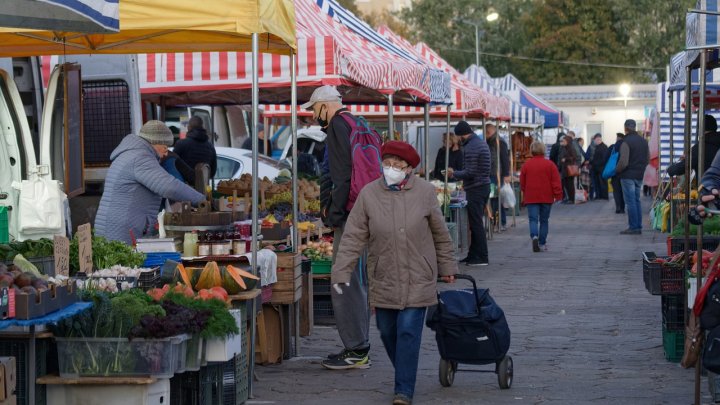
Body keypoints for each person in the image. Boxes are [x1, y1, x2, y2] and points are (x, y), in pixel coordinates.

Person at [331, 141, 457, 405]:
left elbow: (440, 233)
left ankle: (403, 390)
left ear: (409, 169)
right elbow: (353, 237)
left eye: (397, 165)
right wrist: (341, 272)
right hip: (384, 275)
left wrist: (447, 267)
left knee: (409, 331)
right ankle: (405, 372)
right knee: (387, 331)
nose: (391, 169)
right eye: (387, 164)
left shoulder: (425, 192)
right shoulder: (369, 194)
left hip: (418, 275)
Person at [303, 85, 372, 370]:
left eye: (314, 110)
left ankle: (356, 349)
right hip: (364, 209)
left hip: (350, 214)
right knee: (356, 279)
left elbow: (342, 177)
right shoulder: (358, 122)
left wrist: (333, 214)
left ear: (324, 106)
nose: (313, 116)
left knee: (343, 279)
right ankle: (359, 345)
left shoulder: (337, 127)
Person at [94, 120, 206, 244]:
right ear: (154, 142)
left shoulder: (131, 153)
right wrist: (202, 201)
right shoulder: (140, 157)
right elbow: (169, 186)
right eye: (165, 146)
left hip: (114, 227)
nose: (166, 152)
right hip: (120, 232)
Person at [447, 121, 492, 266]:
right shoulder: (478, 142)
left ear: (461, 135)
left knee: (476, 223)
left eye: (457, 136)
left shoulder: (472, 146)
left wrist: (454, 174)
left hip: (476, 188)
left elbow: (470, 171)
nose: (457, 139)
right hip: (482, 186)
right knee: (474, 223)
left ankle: (482, 257)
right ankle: (473, 255)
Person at [520, 141, 563, 252]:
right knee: (544, 220)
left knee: (533, 219)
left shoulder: (526, 165)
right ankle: (542, 243)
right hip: (546, 196)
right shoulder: (550, 165)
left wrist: (525, 191)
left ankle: (534, 236)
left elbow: (522, 183)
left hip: (531, 196)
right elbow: (556, 181)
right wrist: (558, 195)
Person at [615, 119, 649, 235]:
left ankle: (634, 227)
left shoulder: (626, 141)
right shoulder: (644, 141)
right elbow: (647, 158)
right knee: (637, 200)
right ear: (634, 127)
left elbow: (623, 161)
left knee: (630, 202)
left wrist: (616, 170)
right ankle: (638, 225)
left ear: (625, 128)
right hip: (639, 174)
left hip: (628, 175)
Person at [484, 122, 510, 231]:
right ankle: (496, 222)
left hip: (496, 175)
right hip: (493, 174)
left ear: (488, 132)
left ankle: (499, 223)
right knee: (494, 200)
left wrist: (506, 175)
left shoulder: (498, 142)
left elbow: (504, 159)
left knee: (496, 200)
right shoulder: (492, 141)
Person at [558, 135, 578, 204]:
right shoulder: (563, 148)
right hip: (564, 169)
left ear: (567, 141)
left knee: (570, 184)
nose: (563, 142)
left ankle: (572, 199)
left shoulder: (571, 148)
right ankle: (568, 198)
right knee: (566, 184)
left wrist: (566, 159)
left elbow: (575, 157)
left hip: (569, 169)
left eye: (564, 141)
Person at [608, 133, 626, 213]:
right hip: (624, 172)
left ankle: (618, 207)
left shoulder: (613, 147)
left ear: (617, 138)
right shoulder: (626, 146)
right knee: (623, 190)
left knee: (616, 190)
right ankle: (622, 208)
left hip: (614, 172)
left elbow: (606, 158)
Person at [590, 134, 609, 200]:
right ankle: (599, 195)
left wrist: (595, 163)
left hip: (601, 168)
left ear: (598, 140)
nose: (594, 142)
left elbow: (604, 159)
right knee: (598, 183)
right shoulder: (598, 147)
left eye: (595, 140)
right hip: (597, 168)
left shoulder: (603, 147)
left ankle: (604, 196)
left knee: (603, 182)